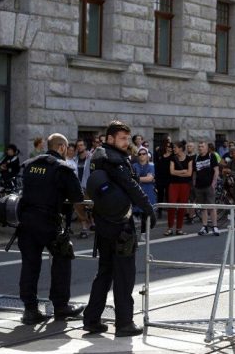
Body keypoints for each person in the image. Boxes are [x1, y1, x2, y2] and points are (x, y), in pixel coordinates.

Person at [83, 120, 156, 336]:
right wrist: (148, 209)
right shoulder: (115, 160)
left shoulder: (98, 156)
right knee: (124, 274)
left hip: (104, 222)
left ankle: (91, 318)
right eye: (122, 138)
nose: (126, 143)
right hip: (120, 225)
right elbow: (131, 186)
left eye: (127, 138)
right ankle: (124, 323)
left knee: (104, 272)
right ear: (110, 138)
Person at [17, 133, 85, 325]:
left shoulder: (30, 164)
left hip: (26, 222)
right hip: (48, 221)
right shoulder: (62, 168)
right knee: (63, 257)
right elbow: (78, 196)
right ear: (62, 147)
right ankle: (61, 306)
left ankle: (30, 309)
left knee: (30, 264)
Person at [165, 140, 193, 235]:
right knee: (171, 206)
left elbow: (189, 173)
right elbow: (171, 172)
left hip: (185, 186)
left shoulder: (189, 159)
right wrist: (183, 172)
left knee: (182, 206)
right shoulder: (173, 159)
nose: (173, 149)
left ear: (180, 148)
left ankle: (179, 228)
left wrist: (179, 173)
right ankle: (169, 228)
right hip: (173, 184)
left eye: (175, 147)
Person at [194, 141, 220, 236]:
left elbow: (216, 170)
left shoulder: (211, 156)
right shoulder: (196, 158)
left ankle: (215, 226)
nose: (200, 148)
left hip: (209, 185)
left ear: (206, 148)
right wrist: (194, 184)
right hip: (199, 186)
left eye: (202, 146)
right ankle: (204, 226)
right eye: (199, 146)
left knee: (212, 206)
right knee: (202, 207)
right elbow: (194, 172)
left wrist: (214, 183)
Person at [74, 139, 93, 239]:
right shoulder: (75, 159)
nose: (80, 147)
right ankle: (84, 227)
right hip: (78, 187)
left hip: (88, 186)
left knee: (91, 206)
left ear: (85, 146)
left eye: (81, 145)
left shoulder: (91, 157)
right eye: (78, 145)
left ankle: (93, 222)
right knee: (78, 207)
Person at [154, 140, 173, 219]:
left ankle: (170, 211)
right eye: (168, 146)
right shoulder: (160, 154)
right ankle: (160, 211)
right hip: (160, 178)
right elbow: (156, 165)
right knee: (160, 195)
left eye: (170, 147)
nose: (169, 148)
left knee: (169, 195)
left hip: (169, 179)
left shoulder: (173, 156)